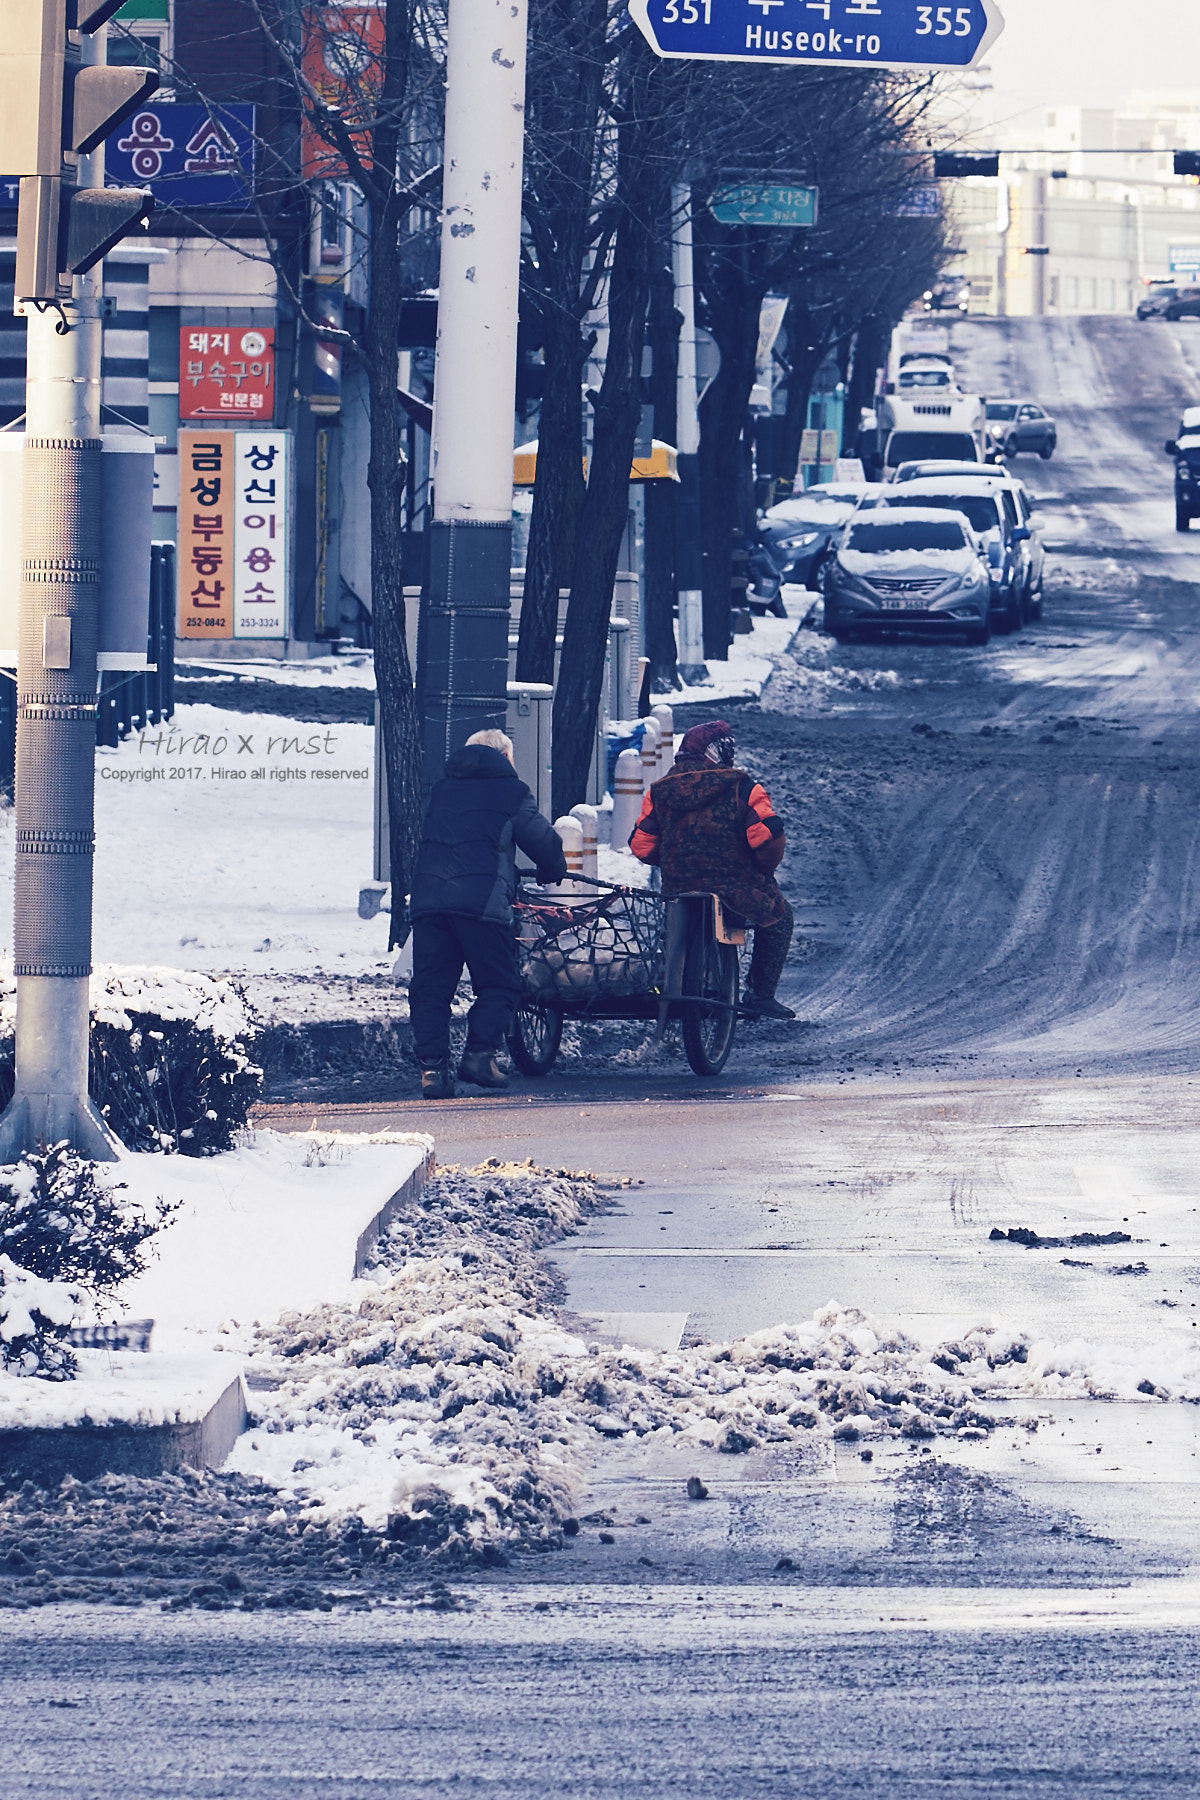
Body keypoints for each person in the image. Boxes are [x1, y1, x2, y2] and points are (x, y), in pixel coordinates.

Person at [409, 729, 567, 1098]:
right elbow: (542, 842)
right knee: (500, 983)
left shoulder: (440, 789)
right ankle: (479, 1056)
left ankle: (433, 1071)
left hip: (430, 901)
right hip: (481, 903)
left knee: (430, 988)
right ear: (505, 757)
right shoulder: (512, 792)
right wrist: (552, 869)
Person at [629, 718, 795, 1020]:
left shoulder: (659, 792)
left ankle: (668, 982)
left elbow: (641, 845)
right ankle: (761, 994)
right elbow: (768, 838)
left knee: (671, 928)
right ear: (719, 752)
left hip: (679, 890)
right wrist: (761, 868)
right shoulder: (742, 788)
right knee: (780, 917)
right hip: (737, 892)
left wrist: (672, 857)